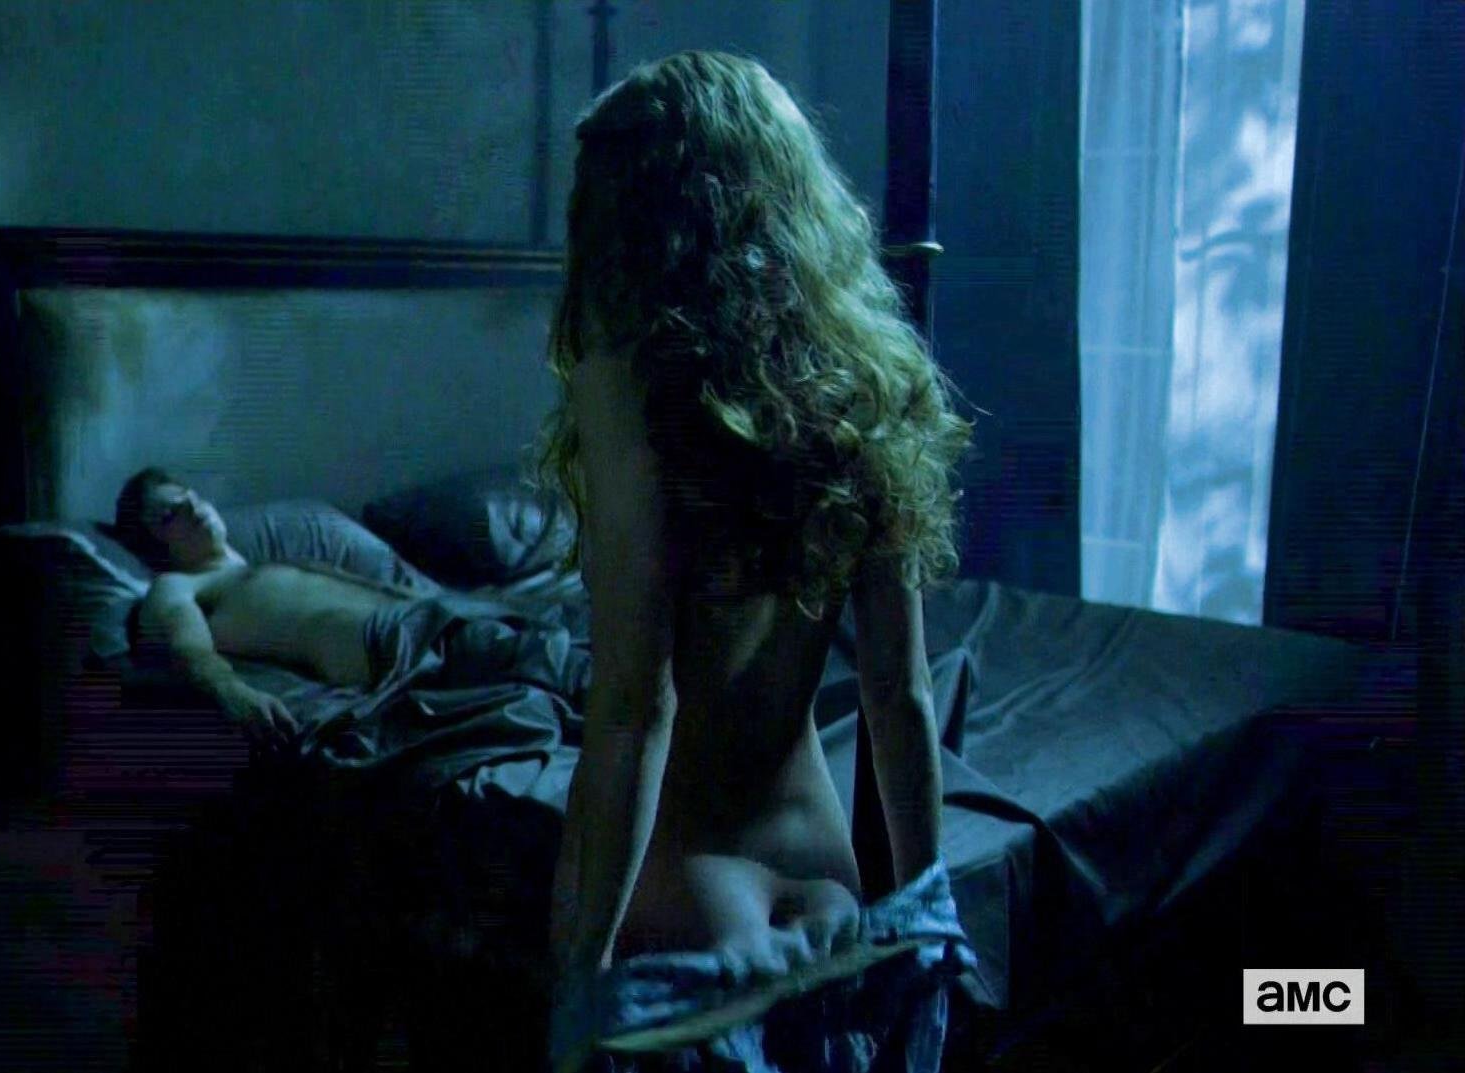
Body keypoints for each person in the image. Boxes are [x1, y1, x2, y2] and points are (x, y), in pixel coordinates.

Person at [537, 52, 975, 1071]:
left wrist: (579, 978)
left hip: (690, 888)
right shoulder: (862, 374)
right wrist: (927, 916)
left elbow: (635, 709)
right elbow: (899, 693)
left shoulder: (632, 379)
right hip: (827, 883)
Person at [116, 468, 586, 750]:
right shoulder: (177, 586)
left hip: (441, 618)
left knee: (572, 656)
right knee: (571, 673)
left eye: (190, 495)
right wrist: (232, 691)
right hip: (401, 646)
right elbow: (187, 646)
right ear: (155, 547)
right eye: (169, 513)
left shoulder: (273, 564)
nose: (191, 507)